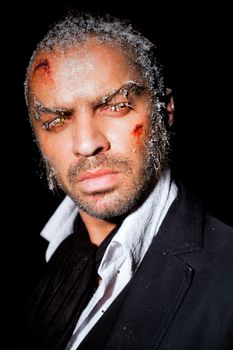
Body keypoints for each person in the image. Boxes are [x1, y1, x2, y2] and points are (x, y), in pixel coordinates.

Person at [24, 13, 233, 350]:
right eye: (55, 120)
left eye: (116, 106)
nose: (86, 143)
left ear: (165, 110)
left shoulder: (227, 277)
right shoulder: (43, 255)